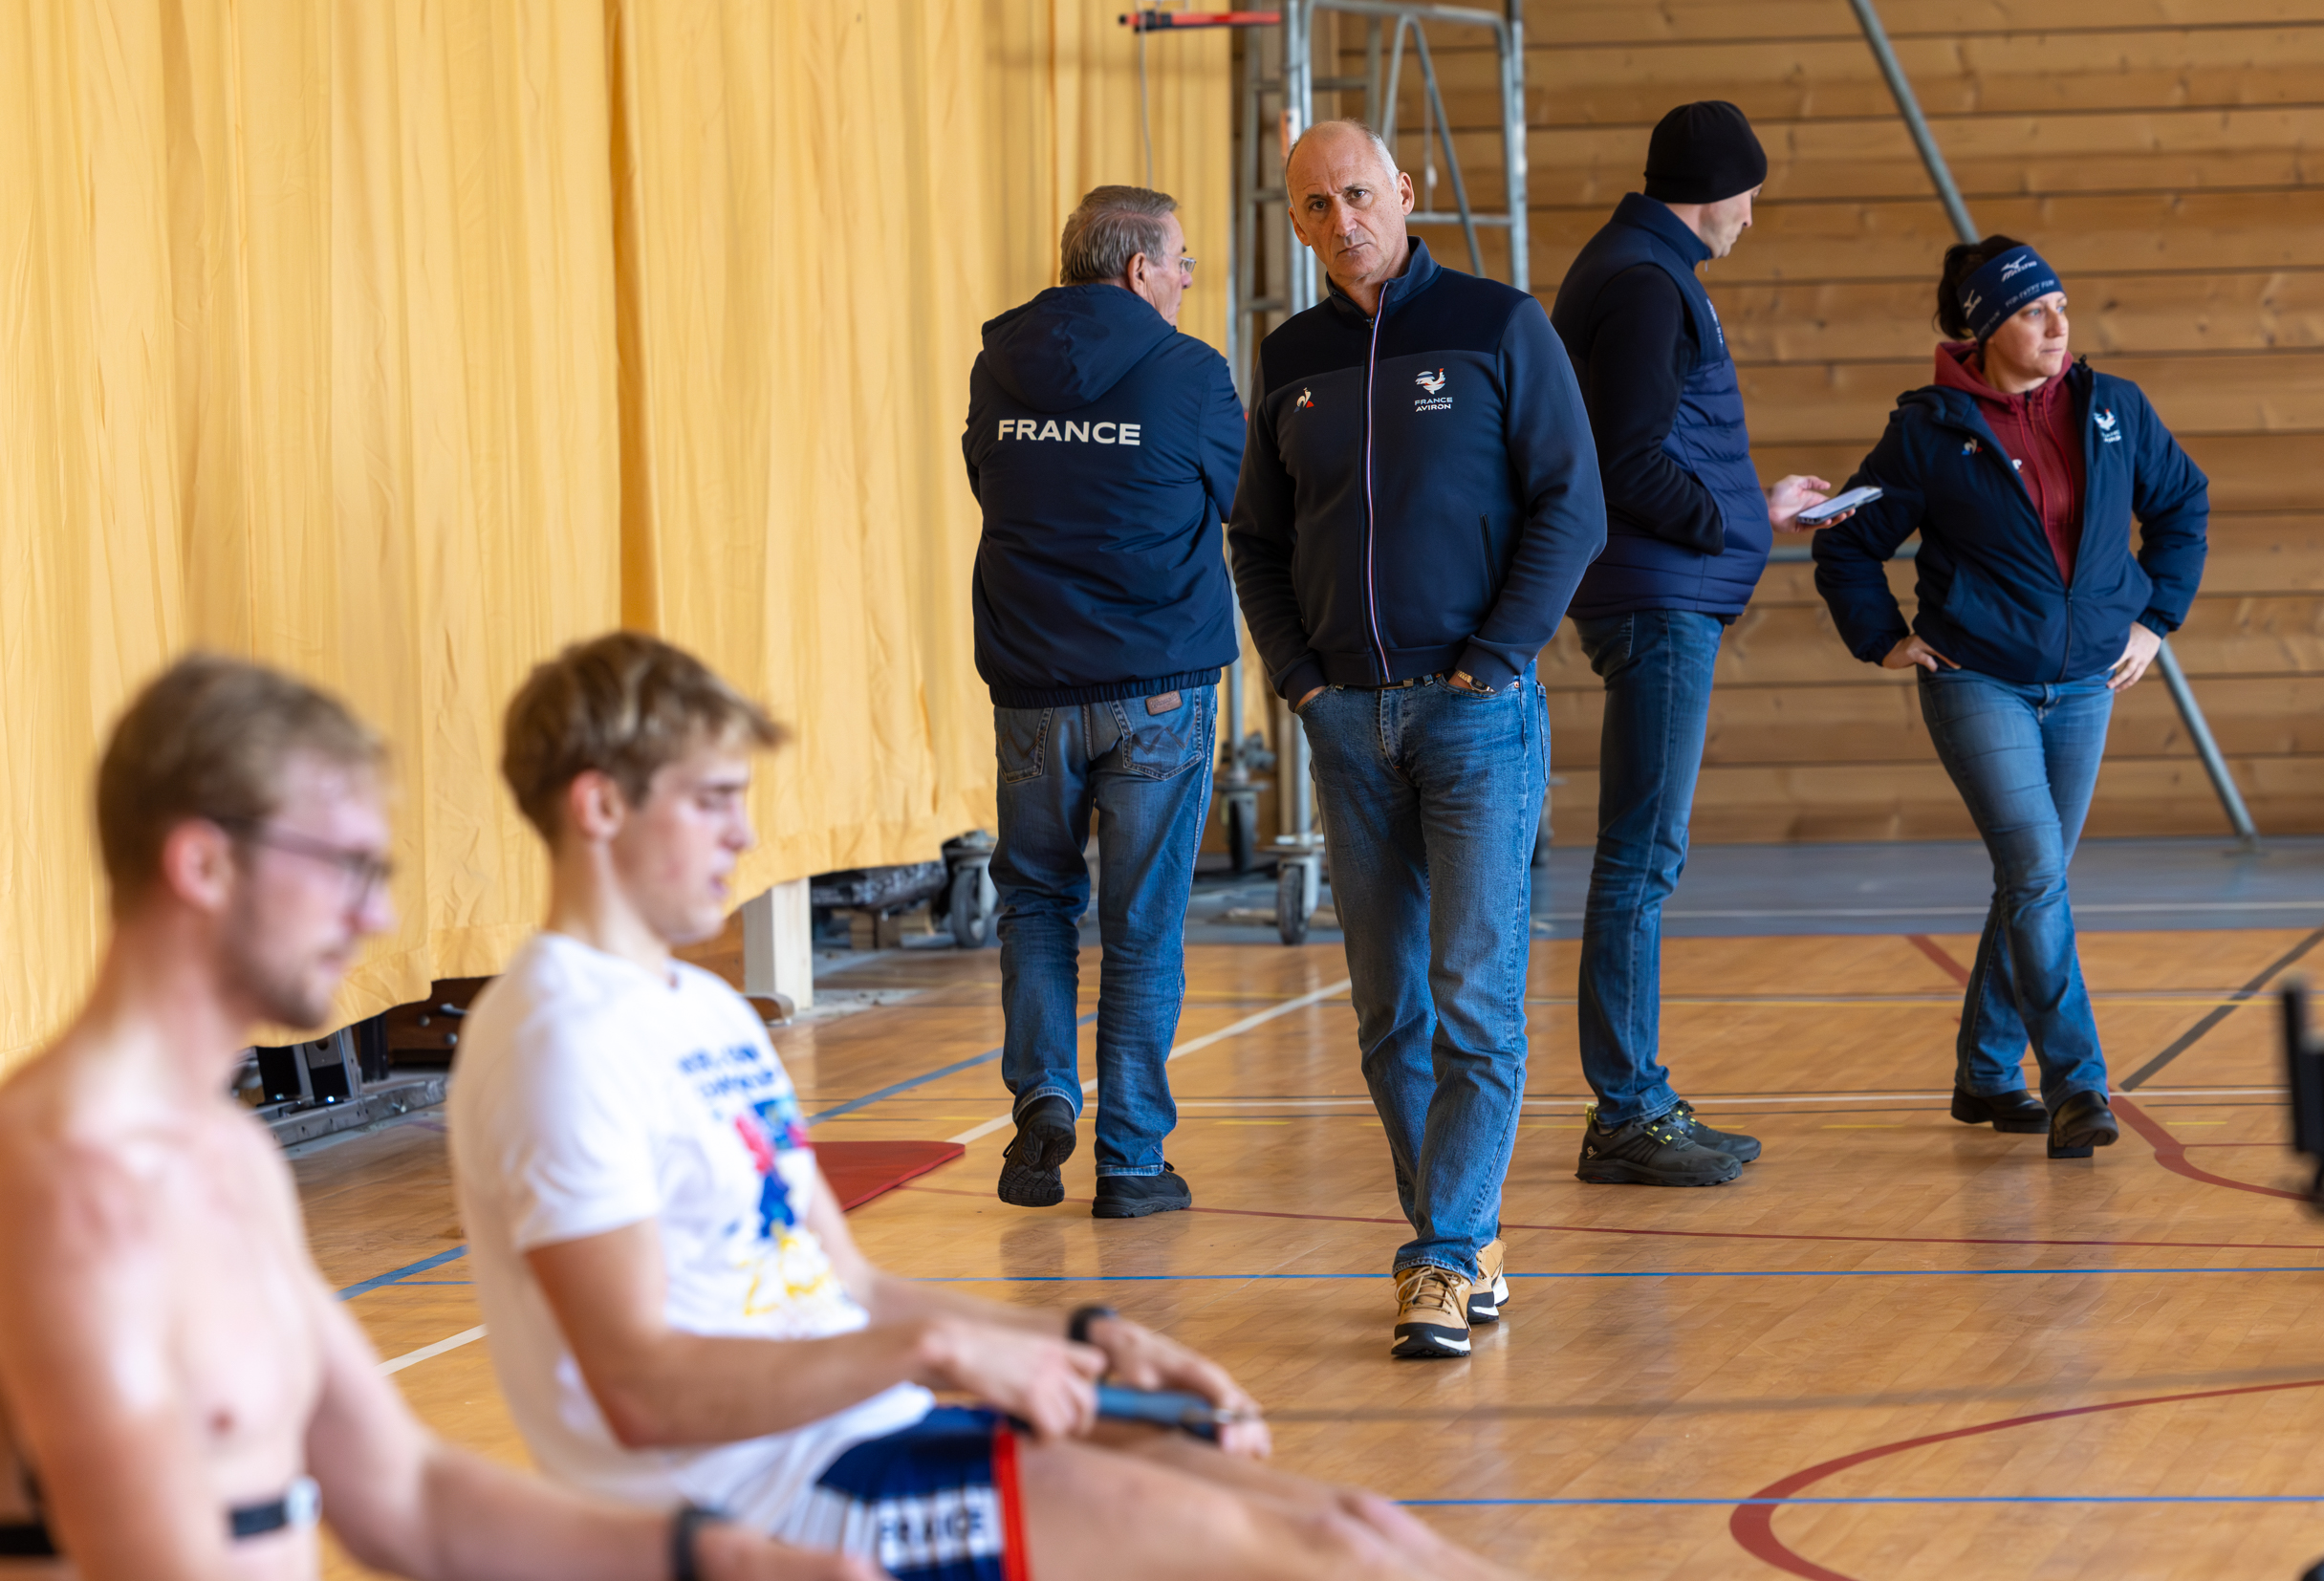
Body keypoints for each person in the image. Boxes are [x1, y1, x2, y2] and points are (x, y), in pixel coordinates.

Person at [446, 631, 1519, 1581]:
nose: (742, 834)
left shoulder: (707, 1012)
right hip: (771, 1500)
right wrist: (943, 1359)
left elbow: (847, 1286)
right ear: (597, 806)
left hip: (869, 1427)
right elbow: (643, 1391)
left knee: (1357, 1520)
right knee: (1328, 1556)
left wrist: (1088, 1337)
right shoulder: (558, 1038)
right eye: (711, 800)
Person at [0, 655, 872, 1581]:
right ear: (204, 862)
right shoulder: (66, 1189)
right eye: (345, 866)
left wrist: (712, 1557)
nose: (376, 914)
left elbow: (410, 1498)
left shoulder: (226, 1155)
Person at [1229, 120, 1606, 1360]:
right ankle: (1465, 1237)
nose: (1342, 219)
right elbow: (1259, 539)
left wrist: (1493, 661)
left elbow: (1573, 505)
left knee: (1473, 996)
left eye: (1358, 193)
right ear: (1296, 224)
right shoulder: (1289, 358)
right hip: (1344, 720)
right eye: (1315, 206)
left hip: (1477, 717)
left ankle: (1441, 1257)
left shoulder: (1502, 327)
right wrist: (1297, 681)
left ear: (1406, 189)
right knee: (1390, 1011)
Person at [1813, 236, 2209, 1158]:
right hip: (1976, 678)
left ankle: (1987, 1071)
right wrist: (1882, 638)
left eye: (2062, 306)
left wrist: (2156, 620)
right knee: (2036, 870)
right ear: (1989, 327)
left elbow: (2182, 503)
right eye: (2035, 312)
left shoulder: (2114, 409)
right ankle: (2078, 1084)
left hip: (2085, 684)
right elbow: (1845, 539)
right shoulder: (1930, 429)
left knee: (2034, 880)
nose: (2058, 326)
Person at [1546, 100, 1847, 1188]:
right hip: (1656, 601)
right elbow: (1623, 459)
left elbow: (1658, 444)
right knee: (1640, 857)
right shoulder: (1641, 278)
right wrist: (1725, 524)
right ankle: (1625, 1111)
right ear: (1714, 189)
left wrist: (1750, 507)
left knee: (1643, 856)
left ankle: (1635, 1099)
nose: (1751, 218)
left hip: (1666, 589)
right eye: (1750, 196)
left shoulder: (1642, 268)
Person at [961, 184, 1244, 1219]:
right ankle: (1130, 1160)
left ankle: (1041, 1093)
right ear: (1136, 269)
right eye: (1178, 261)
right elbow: (1243, 497)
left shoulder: (999, 363)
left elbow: (987, 481)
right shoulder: (1189, 372)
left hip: (1032, 687)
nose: (1184, 278)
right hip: (1157, 689)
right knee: (1141, 924)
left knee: (1035, 900)